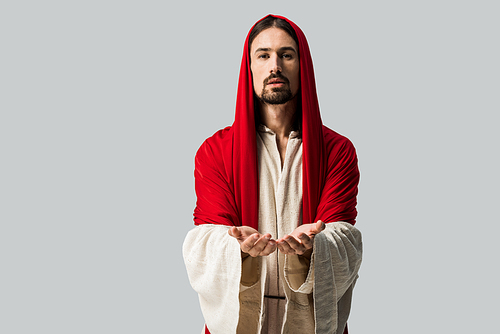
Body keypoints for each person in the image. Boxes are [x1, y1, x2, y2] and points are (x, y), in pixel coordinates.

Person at [183, 14, 362, 334]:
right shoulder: (215, 151)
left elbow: (343, 238)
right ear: (249, 67)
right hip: (246, 319)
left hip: (309, 320)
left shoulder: (337, 151)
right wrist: (240, 250)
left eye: (286, 54)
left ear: (302, 65)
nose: (274, 65)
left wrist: (309, 252)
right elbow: (207, 237)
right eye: (263, 55)